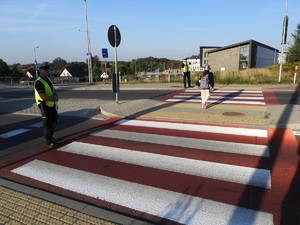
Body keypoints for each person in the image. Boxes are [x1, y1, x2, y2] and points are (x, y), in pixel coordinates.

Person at [34, 62, 59, 147]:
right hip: (44, 105)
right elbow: (43, 96)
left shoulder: (48, 79)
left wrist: (55, 96)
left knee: (54, 121)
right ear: (41, 70)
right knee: (48, 124)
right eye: (46, 69)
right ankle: (48, 141)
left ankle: (50, 137)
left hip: (51, 104)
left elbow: (53, 90)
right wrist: (54, 98)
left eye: (48, 69)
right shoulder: (38, 82)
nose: (48, 71)